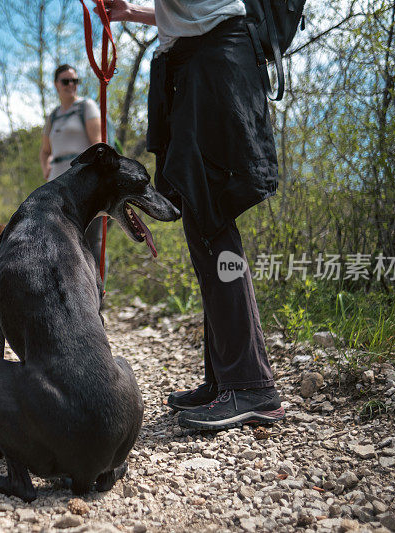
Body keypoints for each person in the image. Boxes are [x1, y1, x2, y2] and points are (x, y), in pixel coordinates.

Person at [102, 0, 285, 430]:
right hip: (195, 60)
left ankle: (252, 385)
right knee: (201, 217)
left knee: (210, 214)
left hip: (213, 59)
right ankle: (228, 378)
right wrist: (130, 12)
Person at [39, 64, 108, 279]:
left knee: (88, 241)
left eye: (75, 81)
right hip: (57, 187)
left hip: (83, 184)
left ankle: (95, 297)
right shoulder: (53, 116)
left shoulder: (86, 106)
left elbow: (98, 145)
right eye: (65, 81)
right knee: (58, 240)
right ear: (56, 85)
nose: (71, 85)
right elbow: (44, 151)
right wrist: (46, 169)